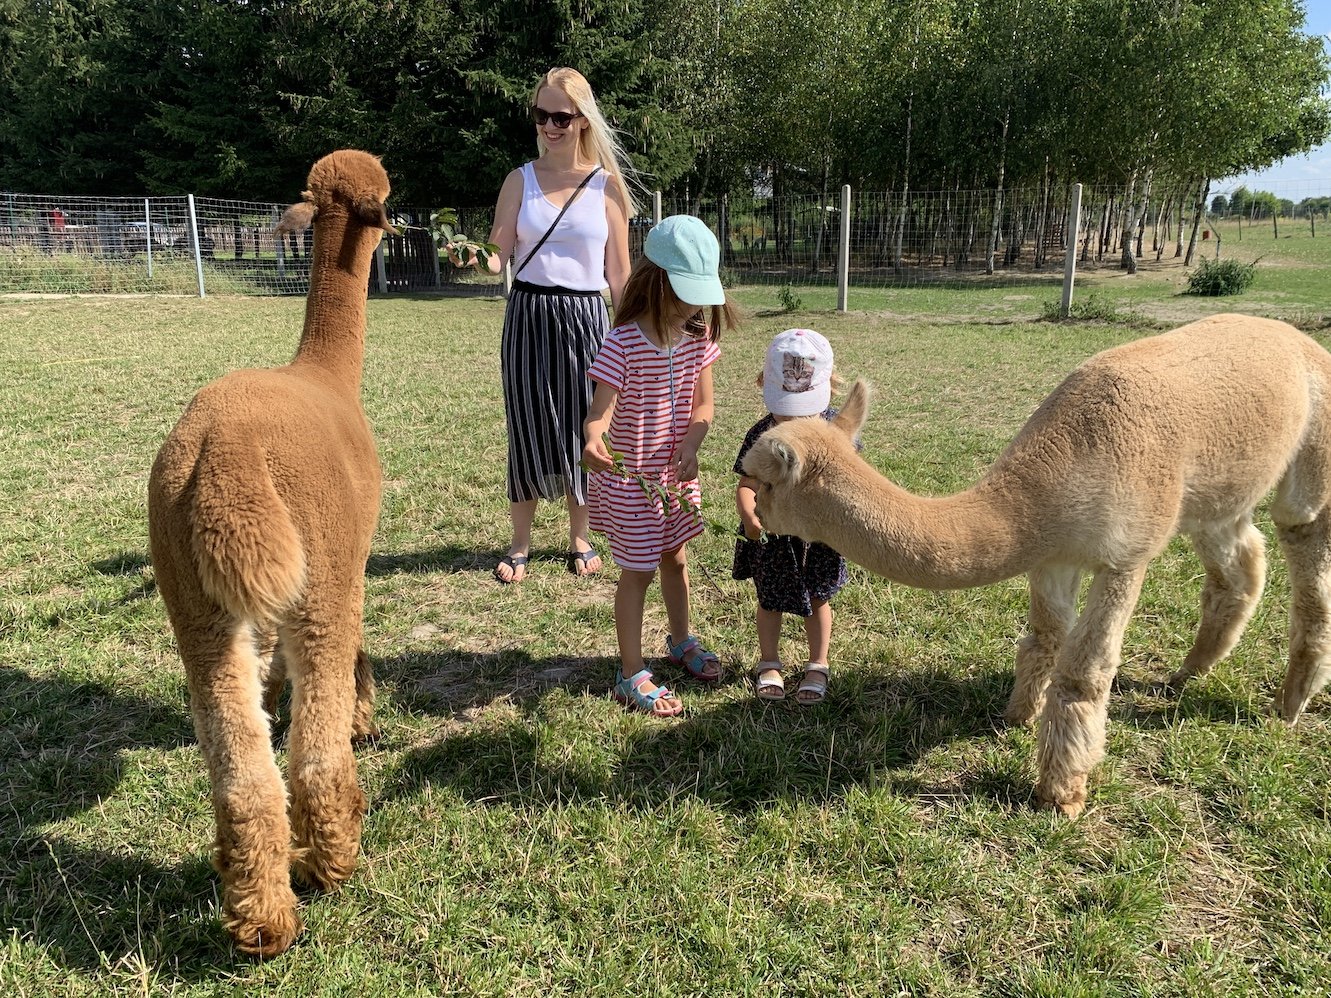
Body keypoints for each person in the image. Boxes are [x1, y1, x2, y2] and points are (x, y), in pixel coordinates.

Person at [472, 67, 635, 583]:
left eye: (561, 117)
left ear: (583, 120)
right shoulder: (517, 180)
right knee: (526, 425)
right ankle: (520, 543)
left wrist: (636, 331)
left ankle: (580, 537)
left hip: (588, 317)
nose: (550, 125)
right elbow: (498, 255)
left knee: (583, 425)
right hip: (528, 315)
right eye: (541, 115)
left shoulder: (608, 187)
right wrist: (474, 257)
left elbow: (619, 273)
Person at [582, 216, 739, 716]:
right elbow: (598, 415)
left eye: (700, 296)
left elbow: (703, 408)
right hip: (632, 482)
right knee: (638, 571)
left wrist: (693, 443)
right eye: (686, 294)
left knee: (676, 559)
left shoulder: (697, 341)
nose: (695, 307)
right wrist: (592, 439)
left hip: (674, 479)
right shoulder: (622, 343)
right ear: (655, 280)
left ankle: (681, 639)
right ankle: (630, 671)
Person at [733, 329, 850, 704]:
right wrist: (750, 515)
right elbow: (748, 483)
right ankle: (769, 662)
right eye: (784, 406)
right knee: (769, 600)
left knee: (818, 599)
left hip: (819, 537)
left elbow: (852, 483)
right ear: (763, 385)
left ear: (829, 387)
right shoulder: (763, 433)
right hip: (774, 539)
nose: (792, 419)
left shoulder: (837, 433)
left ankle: (818, 663)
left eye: (803, 409)